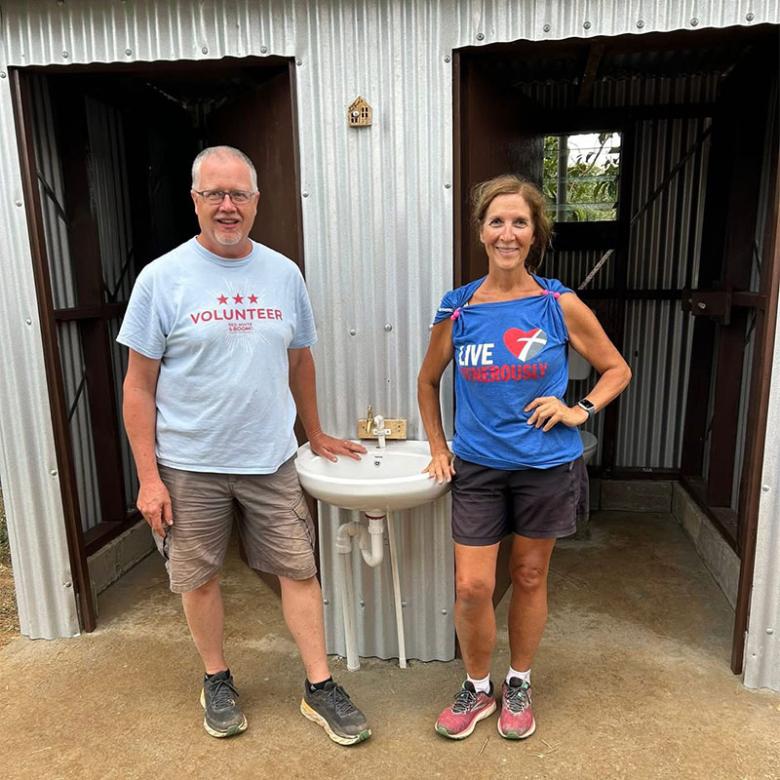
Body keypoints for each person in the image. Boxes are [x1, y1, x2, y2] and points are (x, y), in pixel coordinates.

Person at [118, 145, 371, 746]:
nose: (227, 206)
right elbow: (138, 385)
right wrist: (148, 477)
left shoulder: (284, 273)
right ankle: (217, 679)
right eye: (214, 194)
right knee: (198, 577)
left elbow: (300, 360)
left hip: (270, 459)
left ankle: (319, 686)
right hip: (188, 464)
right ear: (195, 201)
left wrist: (312, 431)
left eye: (239, 195)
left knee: (298, 570)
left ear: (257, 202)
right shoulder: (161, 278)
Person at [418, 174, 631, 741]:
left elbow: (617, 370)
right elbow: (427, 381)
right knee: (472, 587)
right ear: (481, 232)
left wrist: (577, 409)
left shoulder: (557, 303)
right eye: (496, 221)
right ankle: (476, 688)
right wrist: (439, 446)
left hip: (545, 466)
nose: (507, 233)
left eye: (519, 222)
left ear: (534, 233)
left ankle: (518, 681)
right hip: (480, 468)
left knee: (530, 575)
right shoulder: (459, 307)